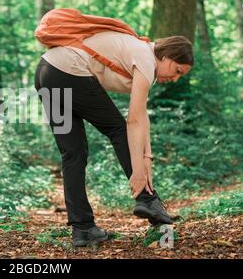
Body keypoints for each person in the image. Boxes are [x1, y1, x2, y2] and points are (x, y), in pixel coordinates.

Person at [33, 32, 193, 247]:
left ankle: (83, 229)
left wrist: (147, 157)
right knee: (118, 129)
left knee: (73, 153)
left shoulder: (142, 55)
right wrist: (137, 171)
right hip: (69, 72)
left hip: (46, 73)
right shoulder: (146, 58)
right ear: (167, 56)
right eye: (177, 71)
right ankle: (147, 199)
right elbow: (133, 122)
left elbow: (141, 116)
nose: (175, 78)